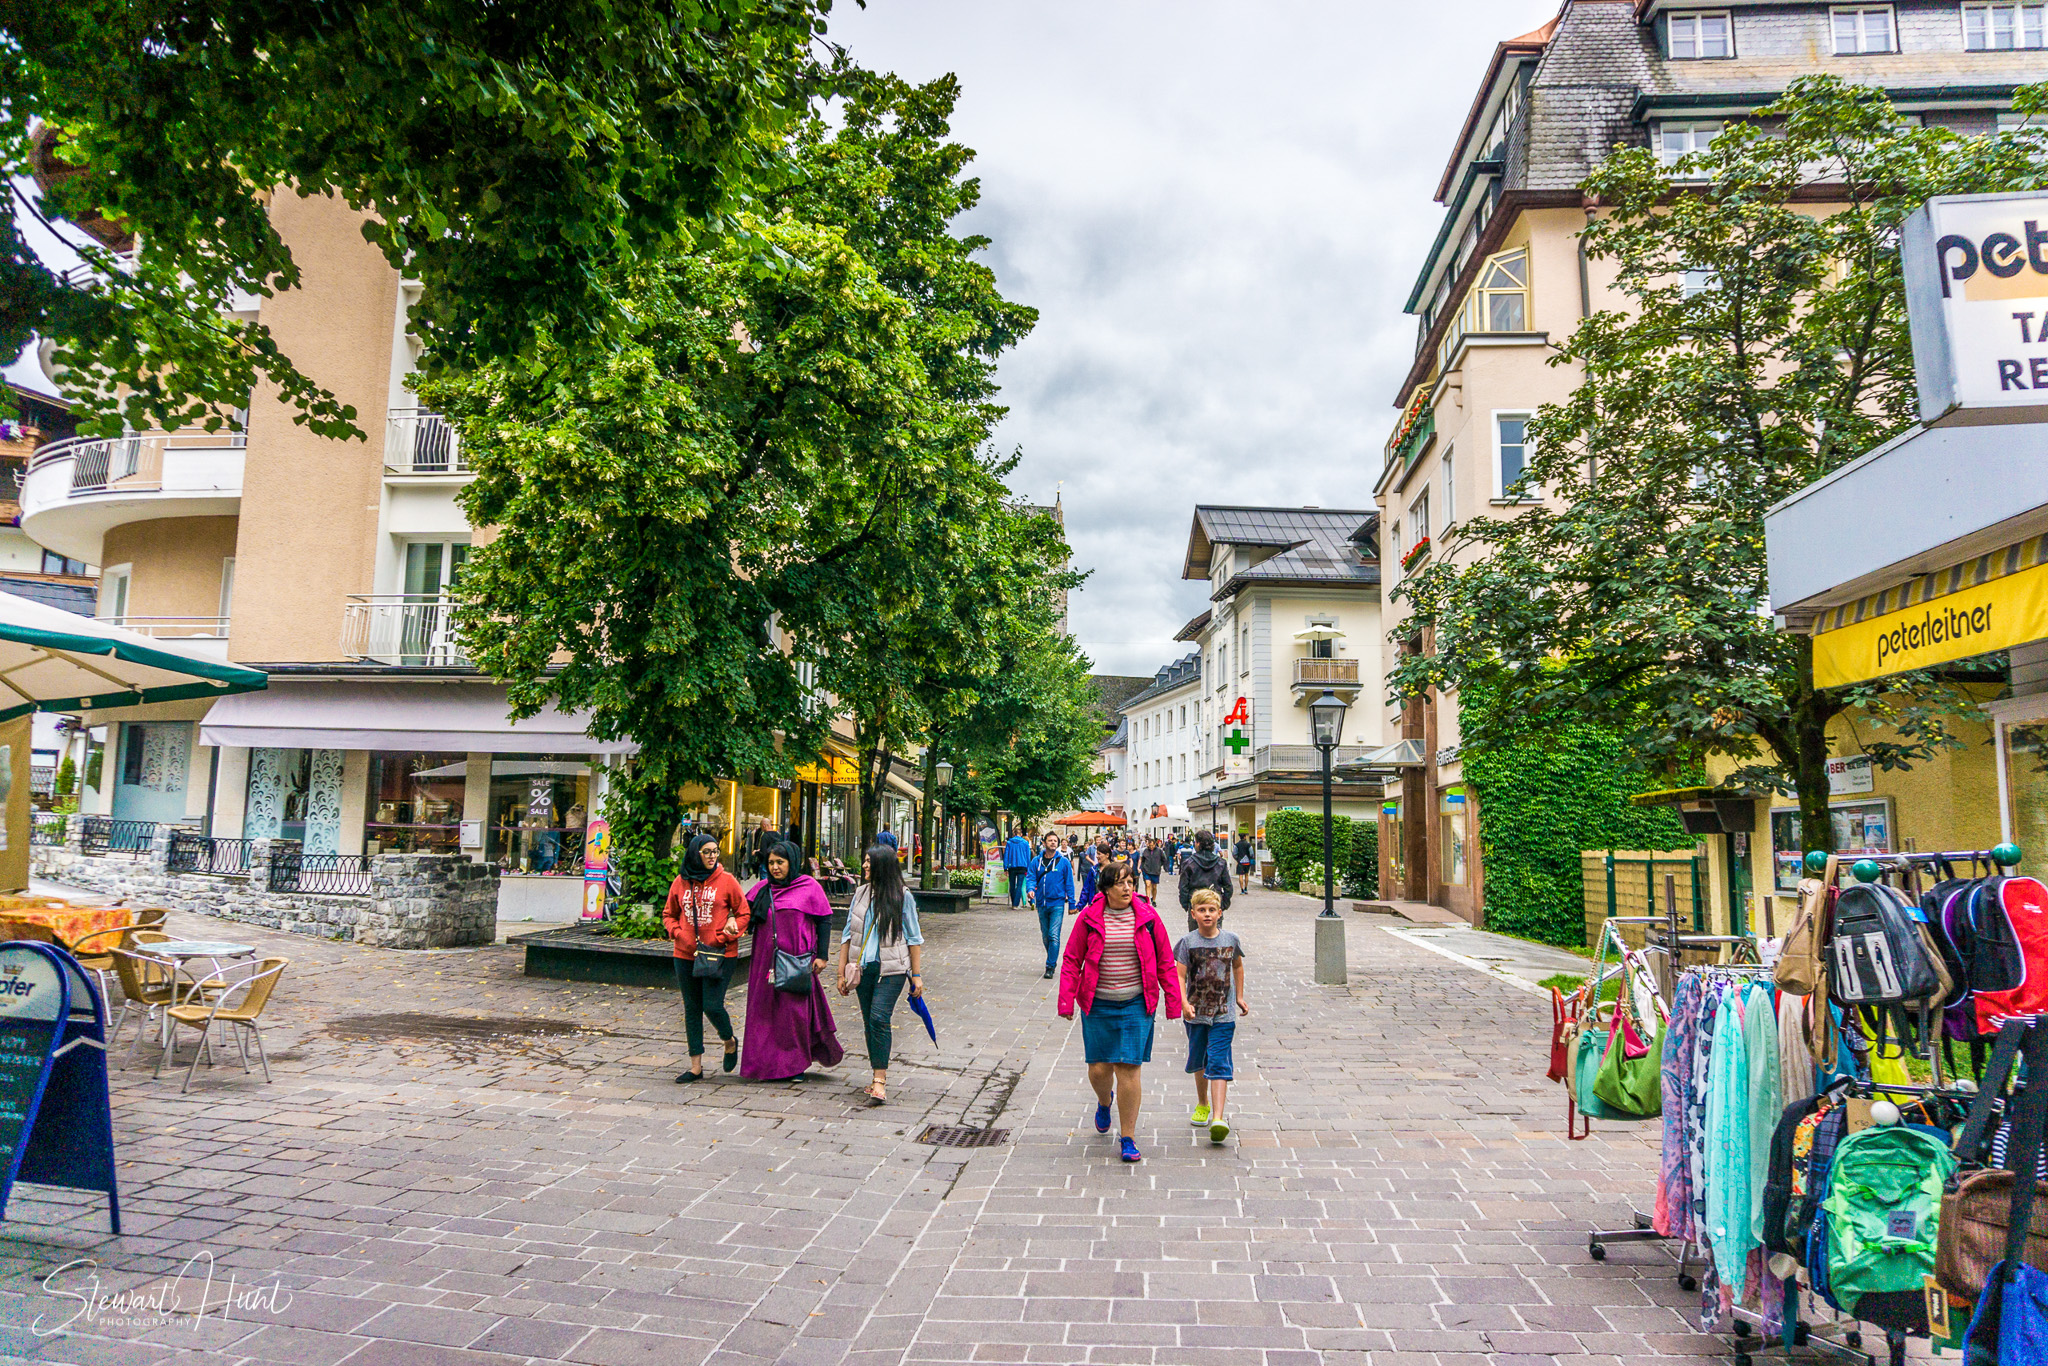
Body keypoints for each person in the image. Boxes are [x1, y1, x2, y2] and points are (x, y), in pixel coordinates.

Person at [1057, 860, 1181, 1163]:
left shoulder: (1148, 917)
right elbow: (1072, 959)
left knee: (1128, 1068)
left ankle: (1128, 1137)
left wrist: (1174, 1001)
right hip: (1098, 1003)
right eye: (1120, 883)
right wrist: (1066, 1000)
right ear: (1106, 888)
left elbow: (1165, 960)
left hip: (1137, 1002)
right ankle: (1104, 1101)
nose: (1127, 888)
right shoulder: (1089, 918)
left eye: (1130, 882)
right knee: (1099, 1069)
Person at [740, 840, 844, 1081]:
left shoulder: (808, 886)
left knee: (792, 1014)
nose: (775, 867)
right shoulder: (762, 889)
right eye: (771, 863)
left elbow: (824, 920)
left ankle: (794, 1065)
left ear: (792, 862)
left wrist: (822, 956)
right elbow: (742, 912)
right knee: (764, 1013)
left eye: (780, 862)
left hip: (796, 960)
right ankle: (764, 1064)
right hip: (765, 962)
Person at [837, 845, 924, 1106]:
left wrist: (916, 975)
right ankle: (876, 1072)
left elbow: (914, 938)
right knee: (869, 1022)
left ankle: (879, 1080)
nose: (864, 866)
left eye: (869, 862)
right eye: (864, 861)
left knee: (879, 1017)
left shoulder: (903, 896)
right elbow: (847, 934)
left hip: (892, 970)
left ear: (882, 866)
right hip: (863, 969)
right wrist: (840, 973)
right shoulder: (860, 893)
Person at [663, 834, 748, 1082]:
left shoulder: (727, 881)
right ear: (694, 854)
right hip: (685, 954)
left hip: (720, 953)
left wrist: (726, 935)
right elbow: (669, 914)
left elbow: (744, 914)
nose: (712, 856)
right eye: (707, 852)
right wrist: (679, 933)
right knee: (692, 1008)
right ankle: (696, 1067)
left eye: (715, 851)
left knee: (712, 1005)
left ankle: (729, 1040)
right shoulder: (681, 882)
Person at [1176, 888, 1248, 1144]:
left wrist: (1239, 997)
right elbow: (1179, 975)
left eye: (1211, 910)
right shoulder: (1187, 942)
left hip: (1223, 1014)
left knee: (1218, 1061)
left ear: (1220, 913)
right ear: (1193, 914)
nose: (1207, 914)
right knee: (1200, 1060)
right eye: (1202, 910)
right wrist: (1183, 1002)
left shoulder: (1231, 939)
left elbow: (1237, 966)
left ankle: (1218, 1118)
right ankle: (1202, 1103)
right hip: (1196, 1013)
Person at [1031, 833, 1076, 979]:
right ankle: (1052, 956)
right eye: (1050, 840)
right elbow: (1031, 877)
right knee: (1045, 936)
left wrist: (1072, 904)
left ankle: (1050, 966)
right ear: (1044, 843)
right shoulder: (1036, 861)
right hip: (1041, 903)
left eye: (1055, 841)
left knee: (1053, 935)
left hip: (1057, 903)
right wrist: (1030, 889)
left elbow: (1069, 883)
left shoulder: (1064, 862)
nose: (1053, 843)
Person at [1178, 830, 1236, 929]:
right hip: (1214, 905)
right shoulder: (1221, 863)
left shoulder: (1189, 863)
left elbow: (1183, 887)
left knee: (1195, 936)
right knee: (1215, 935)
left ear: (1198, 844)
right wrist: (1222, 904)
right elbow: (1228, 887)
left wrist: (1187, 905)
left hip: (1197, 906)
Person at [1003, 826, 1032, 909]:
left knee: (1012, 885)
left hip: (1012, 866)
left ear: (1014, 834)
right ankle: (1015, 904)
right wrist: (1028, 867)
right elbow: (1028, 856)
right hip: (1022, 866)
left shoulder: (1009, 843)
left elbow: (1006, 855)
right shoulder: (1025, 843)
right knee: (1019, 885)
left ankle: (1013, 902)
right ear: (1021, 834)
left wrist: (1005, 867)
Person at [1139, 837, 1165, 903]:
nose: (1151, 847)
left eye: (1152, 845)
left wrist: (1159, 865)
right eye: (1150, 845)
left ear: (1155, 844)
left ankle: (1153, 899)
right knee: (1148, 884)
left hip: (1155, 871)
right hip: (1146, 870)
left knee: (1154, 887)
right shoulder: (1145, 851)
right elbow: (1143, 860)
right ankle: (1147, 900)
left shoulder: (1159, 851)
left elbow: (1164, 859)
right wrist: (1143, 867)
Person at [1078, 841, 1101, 911]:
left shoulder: (1112, 870)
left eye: (1099, 854)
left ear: (1107, 855)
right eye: (1096, 854)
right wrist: (1080, 906)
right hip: (1094, 902)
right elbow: (1086, 888)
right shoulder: (1093, 870)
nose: (1096, 856)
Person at [1234, 830, 1255, 894]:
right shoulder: (1248, 844)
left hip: (1240, 862)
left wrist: (1237, 859)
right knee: (1246, 874)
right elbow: (1251, 853)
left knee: (1240, 875)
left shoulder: (1237, 845)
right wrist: (1251, 858)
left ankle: (1242, 889)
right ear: (1245, 837)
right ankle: (1246, 888)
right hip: (1247, 862)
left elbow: (1234, 853)